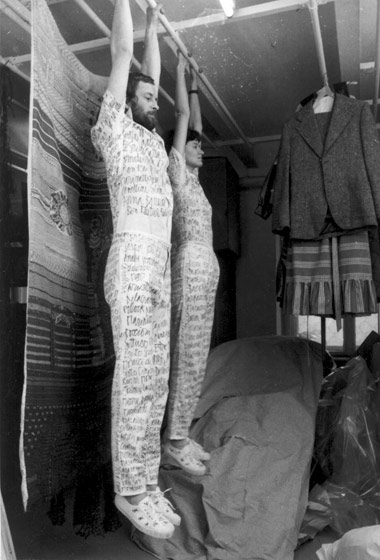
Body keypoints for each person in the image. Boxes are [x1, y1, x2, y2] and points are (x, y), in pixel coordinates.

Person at [91, 0, 180, 539]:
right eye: (144, 96)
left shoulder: (151, 144)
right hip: (130, 263)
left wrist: (154, 22)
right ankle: (128, 488)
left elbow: (151, 69)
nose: (153, 102)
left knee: (155, 381)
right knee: (133, 381)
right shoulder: (115, 131)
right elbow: (122, 54)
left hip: (160, 269)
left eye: (154, 97)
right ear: (124, 103)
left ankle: (147, 484)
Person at [162, 53, 220, 475]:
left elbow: (195, 121)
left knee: (197, 354)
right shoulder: (177, 173)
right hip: (190, 266)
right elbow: (183, 118)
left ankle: (183, 433)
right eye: (194, 144)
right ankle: (174, 440)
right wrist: (180, 75)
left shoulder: (196, 183)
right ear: (179, 152)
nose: (201, 146)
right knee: (185, 353)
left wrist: (198, 84)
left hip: (205, 271)